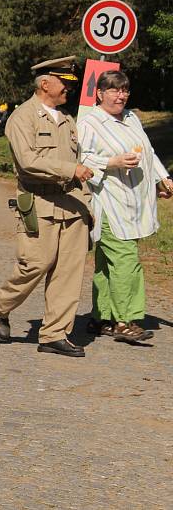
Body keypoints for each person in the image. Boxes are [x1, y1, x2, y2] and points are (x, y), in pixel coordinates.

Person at [0, 56, 94, 357]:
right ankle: (0, 304)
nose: (69, 90)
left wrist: (86, 202)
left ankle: (54, 335)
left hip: (72, 206)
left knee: (68, 272)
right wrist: (70, 170)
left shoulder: (68, 120)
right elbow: (28, 162)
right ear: (45, 83)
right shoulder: (22, 118)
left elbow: (78, 162)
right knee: (35, 264)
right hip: (39, 203)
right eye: (65, 83)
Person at [78, 70, 173, 343]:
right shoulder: (90, 123)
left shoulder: (131, 118)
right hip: (110, 202)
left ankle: (101, 317)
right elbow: (81, 159)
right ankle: (126, 320)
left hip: (135, 201)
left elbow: (149, 151)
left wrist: (162, 178)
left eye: (124, 90)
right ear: (100, 93)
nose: (120, 96)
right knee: (126, 260)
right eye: (114, 90)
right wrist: (112, 163)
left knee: (107, 264)